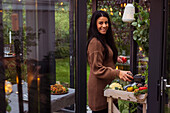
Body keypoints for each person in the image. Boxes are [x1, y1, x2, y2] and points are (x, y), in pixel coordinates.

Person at [87, 10, 133, 113]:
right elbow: (97, 68)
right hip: (99, 90)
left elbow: (103, 54)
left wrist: (113, 57)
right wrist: (118, 73)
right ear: (95, 25)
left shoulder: (103, 39)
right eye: (100, 23)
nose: (104, 26)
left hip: (107, 87)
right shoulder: (95, 42)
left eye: (106, 22)